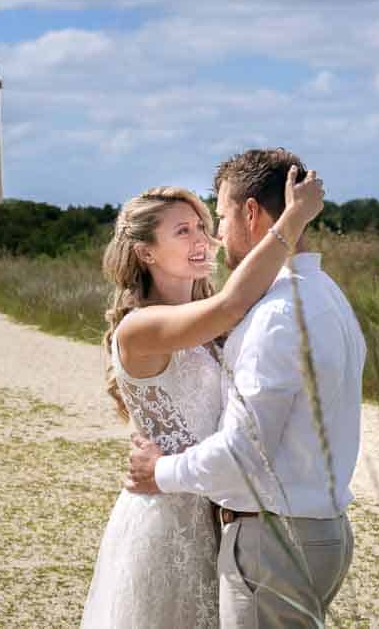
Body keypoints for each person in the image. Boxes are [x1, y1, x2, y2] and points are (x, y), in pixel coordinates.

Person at [126, 148, 367, 627]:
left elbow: (243, 451)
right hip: (315, 532)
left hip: (272, 544)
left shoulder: (274, 314)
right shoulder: (327, 294)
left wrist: (161, 472)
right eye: (188, 229)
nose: (212, 236)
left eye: (216, 218)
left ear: (251, 213)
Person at [80, 169, 324, 628]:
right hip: (168, 523)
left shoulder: (207, 329)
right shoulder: (140, 326)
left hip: (222, 515)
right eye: (183, 230)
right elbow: (230, 304)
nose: (201, 240)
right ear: (145, 252)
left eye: (203, 227)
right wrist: (295, 217)